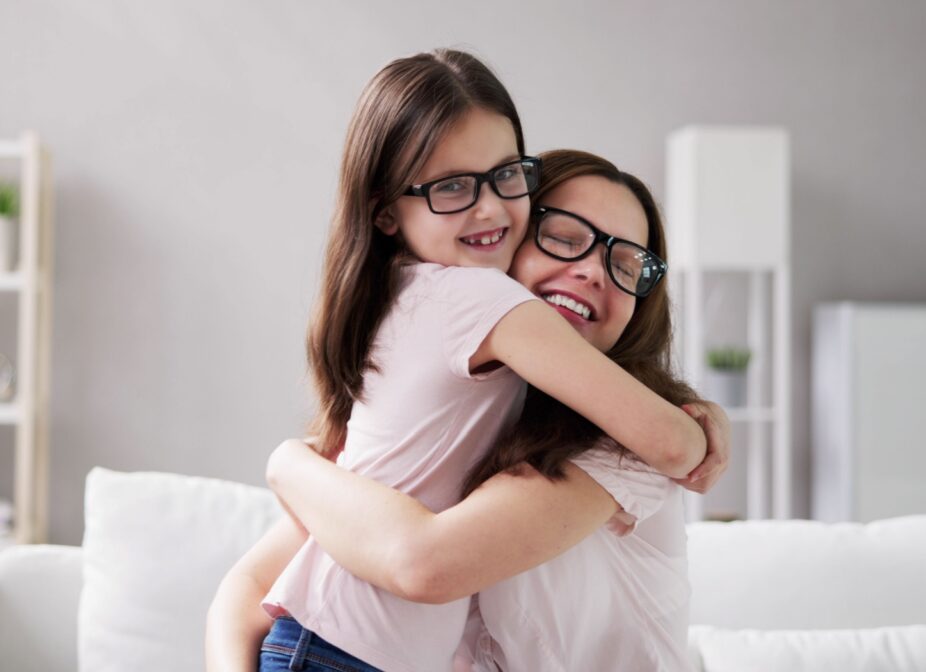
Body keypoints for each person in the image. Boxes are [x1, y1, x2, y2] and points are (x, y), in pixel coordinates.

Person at [206, 51, 708, 672]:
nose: (591, 272)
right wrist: (287, 464)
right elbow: (247, 592)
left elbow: (424, 562)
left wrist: (288, 465)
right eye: (563, 238)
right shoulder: (475, 309)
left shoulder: (614, 446)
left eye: (628, 263)